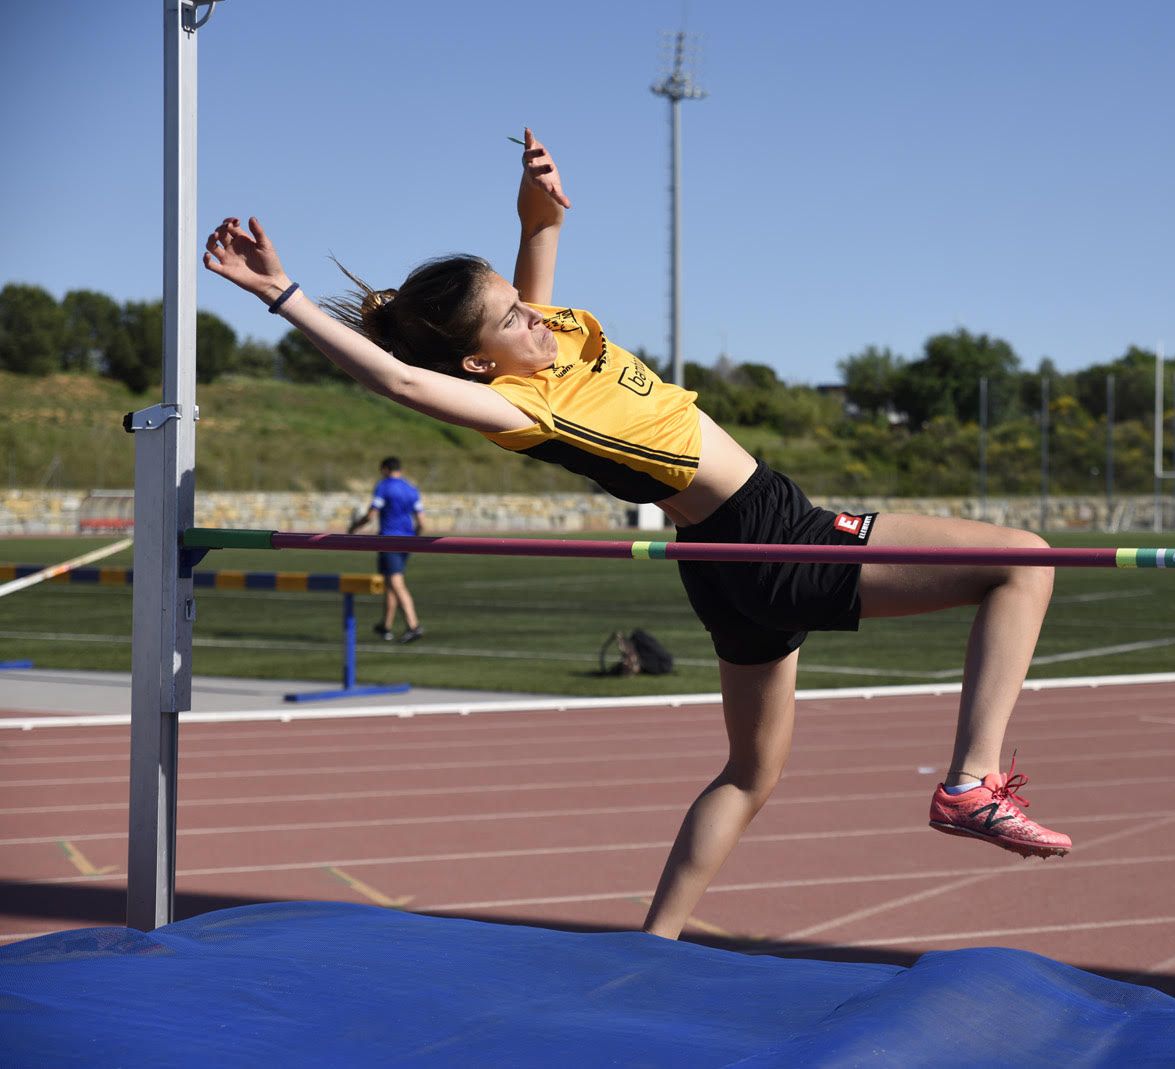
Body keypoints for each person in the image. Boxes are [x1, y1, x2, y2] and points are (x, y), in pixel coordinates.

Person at [202, 127, 1071, 941]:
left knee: (749, 775)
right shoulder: (517, 403)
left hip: (721, 561)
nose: (533, 316)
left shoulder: (549, 344)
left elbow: (538, 240)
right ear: (476, 362)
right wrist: (284, 296)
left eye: (519, 304)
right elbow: (403, 384)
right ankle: (969, 782)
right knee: (1022, 561)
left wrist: (536, 197)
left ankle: (653, 943)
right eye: (511, 319)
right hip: (773, 533)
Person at [348, 456, 425, 643]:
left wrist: (355, 527)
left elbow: (372, 514)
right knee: (391, 582)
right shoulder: (411, 489)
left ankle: (413, 625)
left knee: (396, 583)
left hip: (389, 540)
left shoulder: (384, 486)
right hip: (408, 541)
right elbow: (421, 522)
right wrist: (415, 539)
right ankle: (386, 625)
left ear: (384, 469)